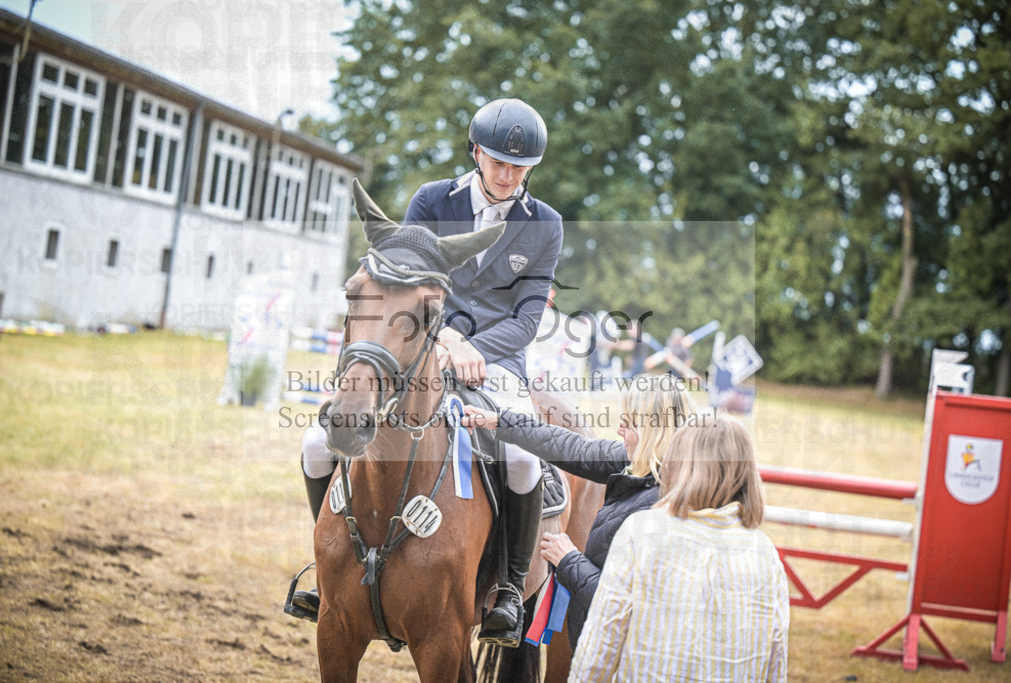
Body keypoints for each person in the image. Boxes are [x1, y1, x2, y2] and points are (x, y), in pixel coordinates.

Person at [289, 98, 563, 650]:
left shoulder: (545, 226)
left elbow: (529, 318)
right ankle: (328, 566)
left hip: (498, 363)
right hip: (421, 349)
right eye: (497, 163)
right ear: (476, 151)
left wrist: (475, 348)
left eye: (519, 168)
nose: (507, 176)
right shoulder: (433, 199)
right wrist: (447, 340)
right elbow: (407, 283)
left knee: (524, 455)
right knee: (317, 441)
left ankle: (509, 587)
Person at [462, 375, 697, 652]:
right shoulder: (640, 463)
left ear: (653, 432)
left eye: (629, 424)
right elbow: (574, 448)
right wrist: (501, 421)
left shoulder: (663, 509)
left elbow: (625, 601)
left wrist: (568, 560)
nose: (620, 431)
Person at [568, 417, 790, 683]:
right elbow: (775, 661)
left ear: (679, 463)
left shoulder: (642, 531)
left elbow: (602, 643)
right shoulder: (763, 550)